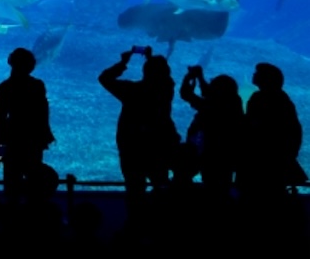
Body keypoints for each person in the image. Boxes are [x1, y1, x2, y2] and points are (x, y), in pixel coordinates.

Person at [98, 47, 178, 213]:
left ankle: (136, 223)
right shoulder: (166, 89)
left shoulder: (131, 91)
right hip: (159, 146)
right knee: (160, 184)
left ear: (145, 72)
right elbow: (163, 76)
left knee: (134, 189)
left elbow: (105, 78)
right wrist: (150, 58)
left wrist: (123, 62)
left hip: (132, 149)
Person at [0, 48, 54, 203]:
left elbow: (0, 119)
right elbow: (43, 112)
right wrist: (45, 135)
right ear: (31, 66)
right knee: (34, 181)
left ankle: (12, 221)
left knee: (11, 183)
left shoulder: (4, 87)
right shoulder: (37, 85)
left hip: (12, 138)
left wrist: (0, 148)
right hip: (33, 138)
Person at [241, 63, 307, 199]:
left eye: (258, 73)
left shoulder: (277, 100)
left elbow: (293, 131)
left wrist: (287, 156)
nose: (254, 75)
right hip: (259, 157)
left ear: (267, 78)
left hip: (269, 160)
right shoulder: (260, 97)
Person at [178, 65, 242, 199]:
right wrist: (200, 77)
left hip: (212, 154)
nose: (210, 87)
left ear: (219, 90)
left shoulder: (213, 106)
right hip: (225, 154)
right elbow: (208, 92)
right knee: (222, 185)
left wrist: (188, 78)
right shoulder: (233, 100)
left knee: (213, 186)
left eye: (213, 85)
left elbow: (186, 94)